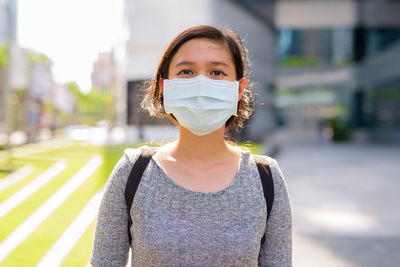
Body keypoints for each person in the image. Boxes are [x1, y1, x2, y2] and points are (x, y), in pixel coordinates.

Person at [90, 25, 292, 267]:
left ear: (238, 89)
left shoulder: (266, 178)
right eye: (186, 71)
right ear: (165, 87)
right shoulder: (132, 173)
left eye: (217, 72)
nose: (201, 84)